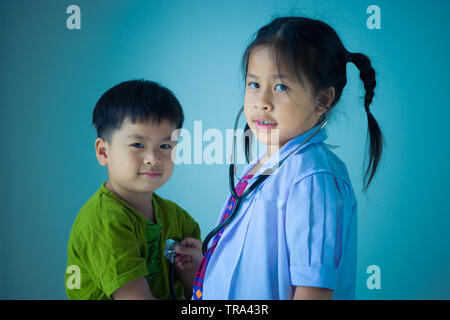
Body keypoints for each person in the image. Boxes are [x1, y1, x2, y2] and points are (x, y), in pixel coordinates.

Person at [175, 16, 383, 300]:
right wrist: (209, 266)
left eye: (281, 87)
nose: (262, 102)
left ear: (323, 100)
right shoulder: (262, 165)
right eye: (254, 84)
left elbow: (313, 290)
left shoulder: (313, 178)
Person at [65, 79, 201, 300]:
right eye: (138, 145)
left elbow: (198, 294)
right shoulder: (104, 223)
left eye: (165, 146)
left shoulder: (178, 219)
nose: (153, 158)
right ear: (103, 152)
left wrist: (194, 271)